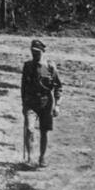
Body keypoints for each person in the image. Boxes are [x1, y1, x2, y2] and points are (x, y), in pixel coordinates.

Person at [22, 39, 63, 168]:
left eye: (38, 52)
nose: (35, 54)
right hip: (31, 102)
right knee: (29, 129)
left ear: (43, 52)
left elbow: (58, 87)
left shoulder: (50, 66)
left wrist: (57, 105)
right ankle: (30, 158)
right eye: (33, 52)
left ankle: (42, 157)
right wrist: (24, 103)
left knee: (44, 131)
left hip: (46, 102)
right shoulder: (27, 66)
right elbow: (23, 87)